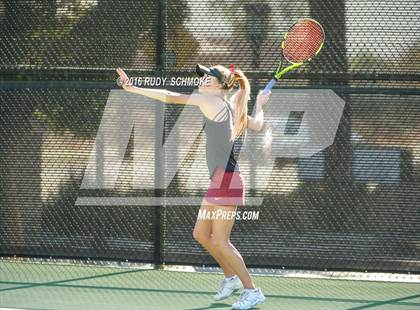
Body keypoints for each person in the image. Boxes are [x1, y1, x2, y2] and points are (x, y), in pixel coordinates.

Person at [116, 64, 270, 309]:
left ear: (220, 84)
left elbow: (169, 96)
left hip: (227, 182)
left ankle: (252, 291)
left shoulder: (210, 102)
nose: (203, 80)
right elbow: (258, 125)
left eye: (209, 77)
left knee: (221, 242)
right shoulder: (230, 106)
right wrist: (260, 104)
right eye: (204, 76)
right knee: (201, 234)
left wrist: (133, 88)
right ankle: (231, 279)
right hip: (220, 181)